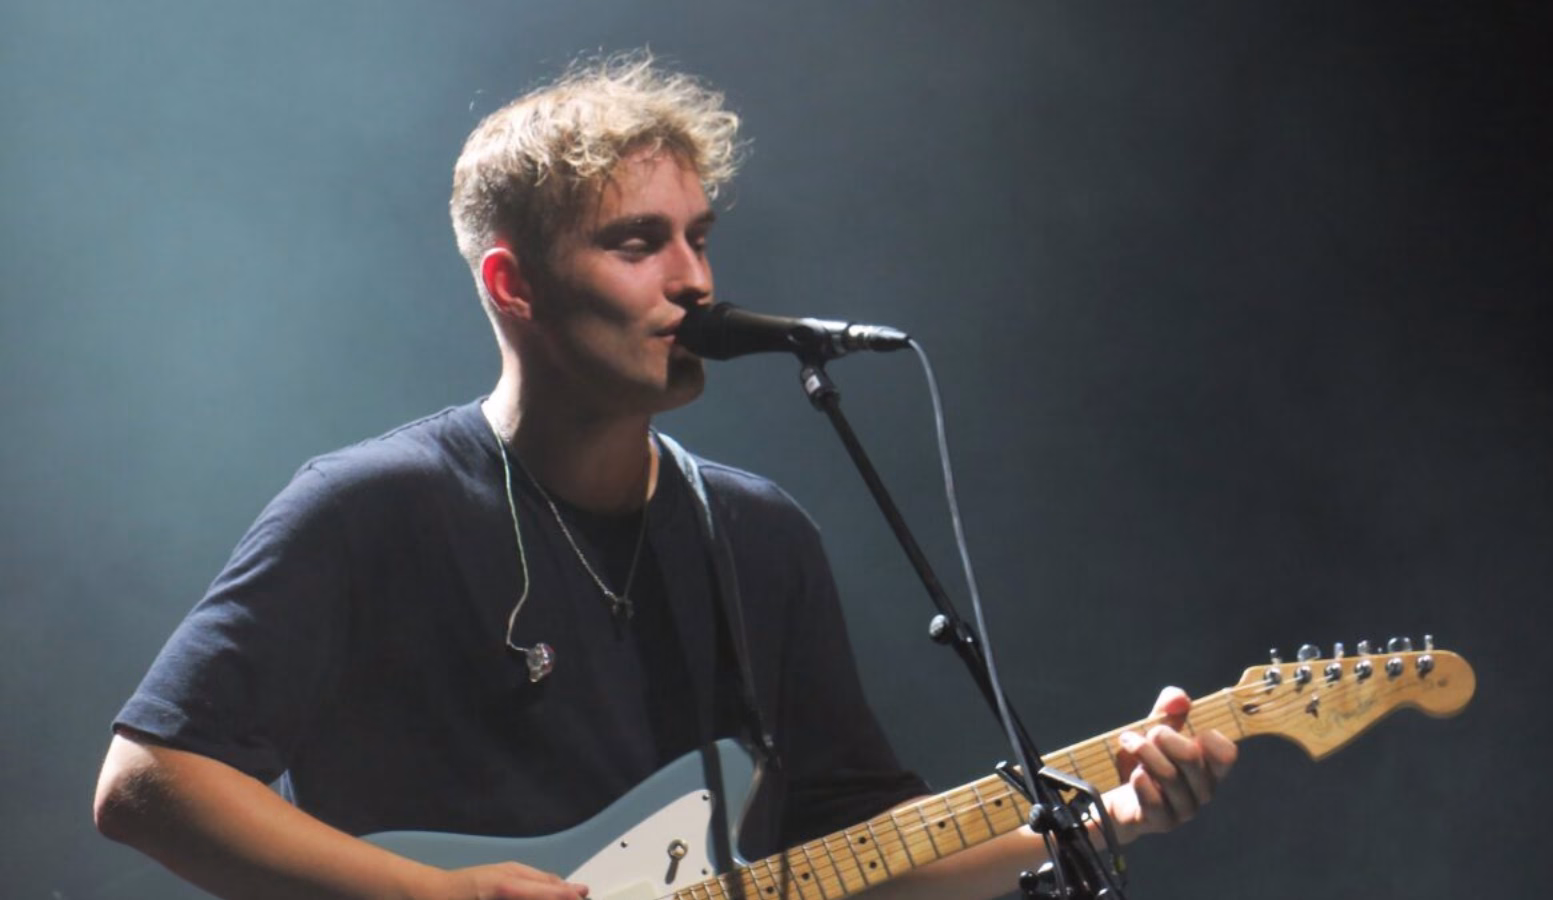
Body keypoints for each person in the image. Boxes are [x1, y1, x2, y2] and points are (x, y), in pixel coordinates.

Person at [93, 52, 1237, 900]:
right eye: (637, 243)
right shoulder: (372, 506)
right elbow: (148, 781)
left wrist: (1111, 815)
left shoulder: (755, 534)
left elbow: (856, 851)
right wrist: (431, 896)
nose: (692, 281)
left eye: (700, 235)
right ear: (514, 283)